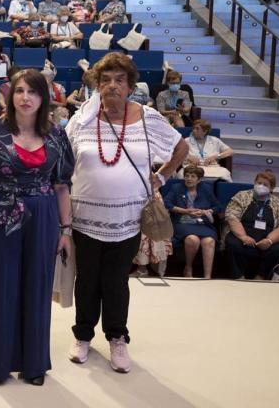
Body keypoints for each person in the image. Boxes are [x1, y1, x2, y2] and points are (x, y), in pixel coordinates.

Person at [64, 53, 187, 373]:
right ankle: (83, 336)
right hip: (85, 218)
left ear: (131, 86)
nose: (112, 86)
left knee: (116, 282)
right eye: (106, 80)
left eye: (120, 80)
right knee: (87, 281)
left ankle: (117, 337)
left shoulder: (148, 118)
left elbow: (181, 147)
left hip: (128, 220)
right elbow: (65, 160)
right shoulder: (82, 119)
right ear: (97, 84)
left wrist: (162, 175)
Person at [0, 69, 74, 387]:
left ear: (43, 97)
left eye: (33, 92)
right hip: (1, 211)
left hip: (43, 216)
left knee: (37, 287)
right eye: (19, 91)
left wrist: (66, 230)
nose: (25, 98)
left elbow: (62, 187)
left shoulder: (56, 134)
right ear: (9, 95)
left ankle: (34, 363)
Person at [222, 170, 279, 280]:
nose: (261, 186)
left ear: (272, 188)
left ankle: (260, 278)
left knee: (276, 250)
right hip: (242, 234)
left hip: (267, 237)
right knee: (233, 244)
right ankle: (238, 277)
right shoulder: (242, 196)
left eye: (265, 184)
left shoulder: (278, 203)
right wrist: (243, 237)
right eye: (259, 183)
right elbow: (232, 216)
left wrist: (269, 241)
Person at [163, 166, 221, 278]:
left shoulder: (206, 189)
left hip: (203, 223)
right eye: (187, 176)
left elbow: (218, 207)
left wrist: (205, 212)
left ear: (199, 180)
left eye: (193, 176)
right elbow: (167, 204)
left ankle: (207, 276)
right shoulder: (176, 188)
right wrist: (185, 211)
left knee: (209, 241)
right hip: (182, 221)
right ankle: (188, 267)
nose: (189, 179)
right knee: (192, 239)